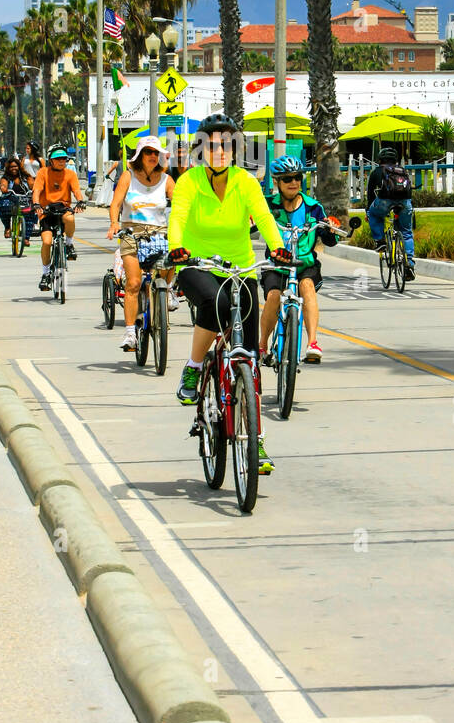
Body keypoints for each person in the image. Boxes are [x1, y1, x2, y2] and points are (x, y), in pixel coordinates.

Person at [166, 114, 291, 475]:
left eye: (227, 144)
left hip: (239, 268)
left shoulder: (245, 182)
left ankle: (257, 438)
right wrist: (177, 247)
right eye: (212, 144)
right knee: (215, 301)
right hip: (195, 263)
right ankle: (193, 369)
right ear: (201, 149)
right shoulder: (189, 181)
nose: (219, 151)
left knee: (249, 358)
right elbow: (178, 216)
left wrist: (278, 247)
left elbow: (265, 218)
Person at [258, 155, 341, 365]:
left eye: (297, 177)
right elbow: (252, 221)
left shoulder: (314, 208)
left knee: (307, 287)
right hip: (276, 264)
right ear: (277, 182)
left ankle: (312, 343)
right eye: (287, 179)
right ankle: (262, 346)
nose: (294, 182)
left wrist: (330, 229)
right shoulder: (267, 206)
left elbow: (329, 239)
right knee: (274, 296)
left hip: (305, 264)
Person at [107, 137, 177, 353]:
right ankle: (130, 333)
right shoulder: (128, 177)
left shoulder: (167, 180)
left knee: (176, 255)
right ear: (140, 156)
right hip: (131, 232)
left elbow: (181, 205)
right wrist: (113, 224)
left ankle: (167, 292)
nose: (153, 156)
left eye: (156, 153)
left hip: (160, 233)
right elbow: (116, 204)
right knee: (134, 283)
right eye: (148, 152)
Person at [31, 143, 84, 290]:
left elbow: (76, 190)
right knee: (47, 242)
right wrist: (36, 204)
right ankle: (45, 273)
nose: (61, 161)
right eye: (58, 158)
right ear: (51, 160)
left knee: (70, 218)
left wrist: (80, 201)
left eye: (63, 158)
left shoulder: (70, 174)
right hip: (47, 211)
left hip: (63, 208)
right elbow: (36, 190)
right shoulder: (43, 172)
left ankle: (68, 243)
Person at [365, 146, 415, 279]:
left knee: (374, 214)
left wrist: (367, 211)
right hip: (404, 203)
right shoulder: (402, 171)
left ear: (380, 159)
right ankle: (409, 262)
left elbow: (370, 195)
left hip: (384, 202)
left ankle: (380, 240)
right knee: (406, 232)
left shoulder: (377, 172)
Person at [0, 156, 32, 238]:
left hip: (25, 199)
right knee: (3, 205)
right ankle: (7, 227)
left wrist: (34, 187)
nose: (14, 168)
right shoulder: (6, 177)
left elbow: (32, 184)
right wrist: (3, 187)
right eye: (11, 167)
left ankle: (26, 237)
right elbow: (3, 184)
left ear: (19, 167)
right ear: (8, 168)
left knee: (32, 211)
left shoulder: (25, 176)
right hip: (11, 199)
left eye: (15, 166)